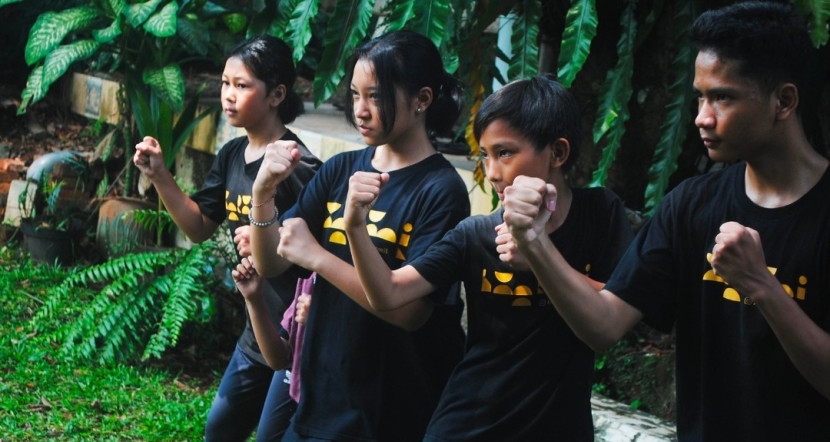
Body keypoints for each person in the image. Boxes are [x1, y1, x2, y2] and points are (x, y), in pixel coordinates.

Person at [502, 2, 830, 441]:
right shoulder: (691, 204)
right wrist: (535, 240)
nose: (701, 117)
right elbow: (603, 326)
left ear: (784, 101)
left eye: (723, 97)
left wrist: (762, 286)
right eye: (699, 96)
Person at [344, 76, 632, 440]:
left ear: (558, 153)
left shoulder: (600, 214)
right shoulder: (476, 234)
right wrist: (354, 226)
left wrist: (539, 258)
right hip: (467, 426)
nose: (493, 172)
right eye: (485, 154)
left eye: (505, 153)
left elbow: (612, 316)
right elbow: (388, 293)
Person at [247, 30, 470, 441]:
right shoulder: (340, 168)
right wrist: (262, 195)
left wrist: (318, 257)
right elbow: (273, 261)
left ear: (422, 100)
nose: (361, 111)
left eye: (377, 96)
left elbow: (409, 313)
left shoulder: (442, 190)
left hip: (391, 411)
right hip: (322, 395)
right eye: (355, 95)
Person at [133, 35, 321, 441]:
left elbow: (320, 244)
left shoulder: (297, 164)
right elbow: (199, 226)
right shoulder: (233, 155)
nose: (228, 96)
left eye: (242, 85)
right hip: (258, 329)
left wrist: (270, 239)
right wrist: (160, 176)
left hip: (297, 334)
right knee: (218, 430)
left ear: (277, 95)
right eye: (224, 83)